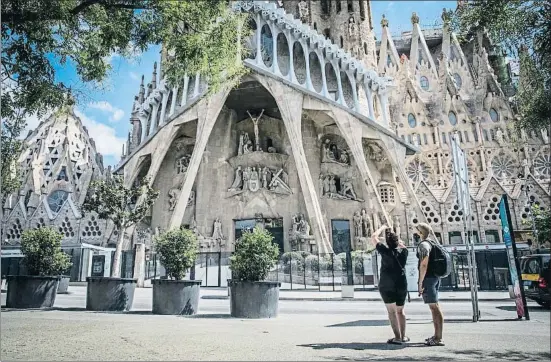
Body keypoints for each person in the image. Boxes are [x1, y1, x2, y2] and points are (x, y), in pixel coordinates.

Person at [370, 225, 409, 345]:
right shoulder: (404, 252)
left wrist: (382, 228)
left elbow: (373, 237)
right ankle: (403, 336)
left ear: (387, 242)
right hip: (401, 284)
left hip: (387, 284)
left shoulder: (384, 251)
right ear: (398, 242)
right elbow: (403, 246)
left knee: (391, 312)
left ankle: (397, 337)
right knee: (400, 311)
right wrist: (399, 242)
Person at [416, 222, 445, 346]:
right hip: (434, 277)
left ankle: (438, 338)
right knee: (434, 306)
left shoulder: (424, 245)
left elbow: (424, 264)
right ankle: (436, 335)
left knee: (434, 307)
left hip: (428, 278)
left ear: (421, 233)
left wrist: (420, 281)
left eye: (417, 230)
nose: (416, 232)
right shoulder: (432, 242)